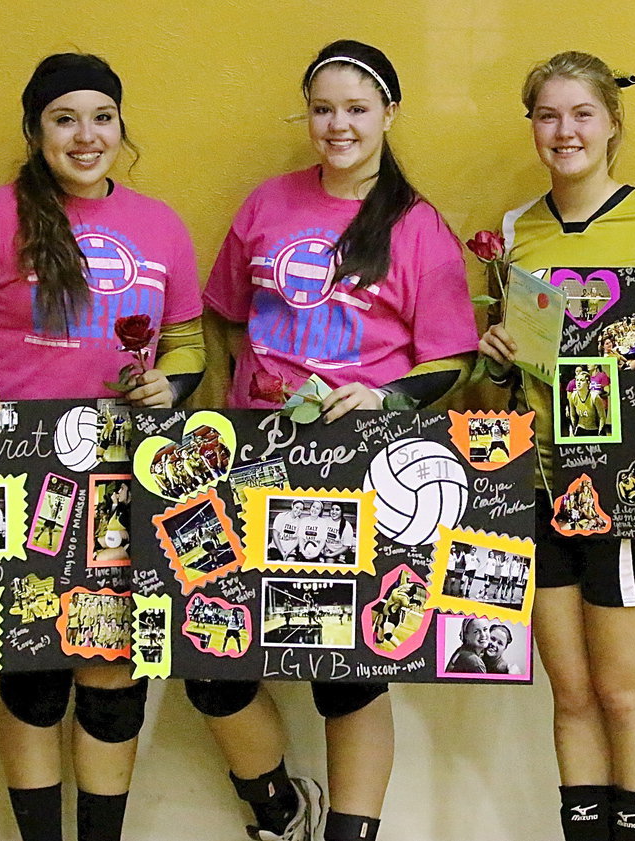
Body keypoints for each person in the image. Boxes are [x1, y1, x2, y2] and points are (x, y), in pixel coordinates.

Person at [0, 53, 204, 841]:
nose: (85, 135)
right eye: (64, 119)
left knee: (112, 674)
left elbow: (187, 342)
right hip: (13, 474)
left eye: (102, 117)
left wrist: (171, 384)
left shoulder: (161, 225)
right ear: (35, 131)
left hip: (122, 478)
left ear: (121, 126)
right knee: (33, 671)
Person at [195, 39, 478, 841]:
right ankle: (280, 808)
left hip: (360, 468)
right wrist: (231, 403)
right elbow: (223, 316)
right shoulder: (265, 204)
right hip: (255, 460)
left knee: (346, 672)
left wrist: (384, 396)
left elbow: (451, 359)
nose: (339, 125)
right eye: (323, 109)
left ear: (390, 114)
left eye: (357, 108)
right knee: (212, 661)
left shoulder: (417, 225)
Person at [477, 51, 635, 841]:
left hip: (633, 488)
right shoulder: (515, 233)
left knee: (625, 688)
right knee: (573, 694)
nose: (565, 132)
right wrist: (496, 358)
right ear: (532, 126)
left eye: (582, 114)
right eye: (548, 115)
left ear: (612, 124)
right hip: (541, 483)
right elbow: (505, 377)